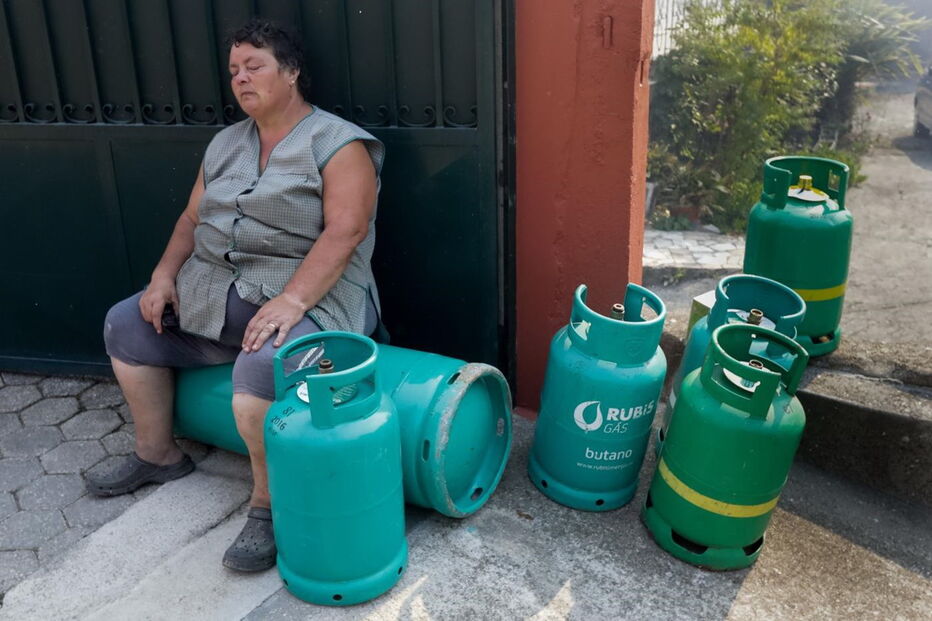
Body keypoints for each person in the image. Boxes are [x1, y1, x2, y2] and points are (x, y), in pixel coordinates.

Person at [88, 19, 385, 572]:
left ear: (292, 72)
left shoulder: (339, 144)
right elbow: (190, 218)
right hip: (219, 289)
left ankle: (268, 508)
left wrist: (294, 301)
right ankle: (157, 455)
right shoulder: (227, 142)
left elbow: (345, 233)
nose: (241, 79)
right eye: (234, 71)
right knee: (126, 324)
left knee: (265, 369)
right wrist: (162, 277)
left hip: (316, 296)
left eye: (255, 66)